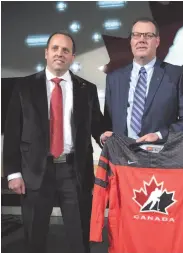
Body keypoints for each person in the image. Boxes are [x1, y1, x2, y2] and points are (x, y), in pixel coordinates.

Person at [3, 31, 104, 253]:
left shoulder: (87, 89)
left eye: (66, 50)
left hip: (74, 172)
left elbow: (98, 126)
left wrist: (107, 137)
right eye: (55, 48)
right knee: (34, 239)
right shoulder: (24, 87)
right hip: (34, 173)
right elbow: (12, 132)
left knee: (79, 239)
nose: (60, 53)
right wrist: (12, 173)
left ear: (72, 57)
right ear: (46, 53)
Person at [101, 17, 183, 144]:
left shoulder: (175, 75)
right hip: (122, 157)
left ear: (157, 41)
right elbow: (108, 124)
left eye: (148, 35)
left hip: (161, 156)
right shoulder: (114, 78)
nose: (141, 40)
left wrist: (160, 135)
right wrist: (104, 136)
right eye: (136, 35)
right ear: (131, 41)